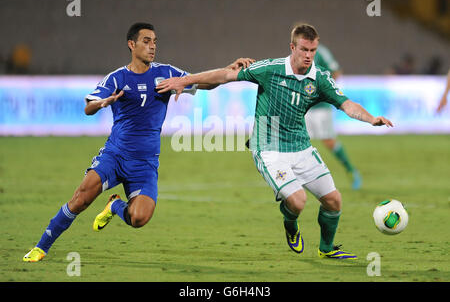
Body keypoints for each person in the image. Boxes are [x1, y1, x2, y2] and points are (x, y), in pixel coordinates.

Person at [157, 23, 393, 260]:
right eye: (304, 49)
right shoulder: (270, 69)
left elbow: (347, 104)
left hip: (300, 146)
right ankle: (290, 226)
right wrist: (184, 81)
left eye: (312, 50)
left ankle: (327, 248)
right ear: (292, 47)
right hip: (268, 148)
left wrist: (371, 119)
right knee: (298, 202)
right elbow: (226, 75)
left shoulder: (319, 78)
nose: (309, 55)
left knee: (333, 201)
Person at [23, 22, 254, 262]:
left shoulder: (165, 74)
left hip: (144, 164)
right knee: (80, 199)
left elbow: (204, 83)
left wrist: (229, 70)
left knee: (139, 218)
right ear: (131, 45)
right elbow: (89, 106)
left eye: (154, 41)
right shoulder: (117, 78)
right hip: (115, 156)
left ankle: (115, 207)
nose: (152, 46)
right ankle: (41, 247)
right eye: (146, 41)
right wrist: (102, 103)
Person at [305, 43, 361, 190]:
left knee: (328, 141)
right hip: (301, 106)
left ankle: (351, 170)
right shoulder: (295, 54)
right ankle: (298, 179)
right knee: (297, 142)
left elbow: (336, 71)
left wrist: (324, 90)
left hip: (320, 107)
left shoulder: (321, 52)